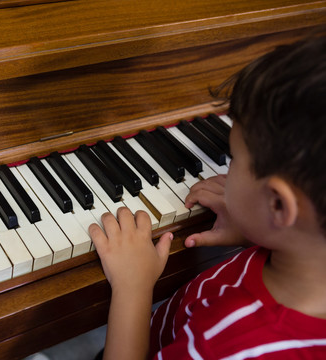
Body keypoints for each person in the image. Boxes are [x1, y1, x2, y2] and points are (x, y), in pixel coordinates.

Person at [89, 34, 326, 359]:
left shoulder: (231, 346)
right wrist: (257, 234)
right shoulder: (304, 253)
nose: (227, 168)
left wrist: (133, 287)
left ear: (278, 204)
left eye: (234, 158)